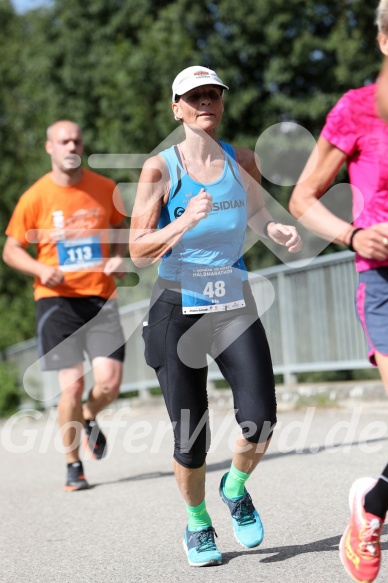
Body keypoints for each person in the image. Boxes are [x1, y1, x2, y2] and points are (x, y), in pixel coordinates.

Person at [129, 65, 302, 567]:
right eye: (194, 96)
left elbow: (256, 214)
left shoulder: (241, 158)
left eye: (213, 95)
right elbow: (139, 251)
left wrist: (278, 231)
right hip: (176, 307)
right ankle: (198, 523)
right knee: (191, 436)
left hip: (231, 299)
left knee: (261, 418)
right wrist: (182, 221)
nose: (206, 102)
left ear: (222, 104)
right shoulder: (160, 169)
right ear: (176, 107)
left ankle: (236, 486)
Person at [289, 3, 388, 581]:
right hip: (382, 281)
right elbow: (303, 198)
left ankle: (372, 502)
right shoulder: (355, 111)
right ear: (382, 40)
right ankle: (369, 508)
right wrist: (353, 234)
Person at [3, 120, 128, 492]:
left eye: (76, 139)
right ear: (50, 148)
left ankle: (89, 416)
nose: (70, 145)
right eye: (63, 140)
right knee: (71, 386)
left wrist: (117, 259)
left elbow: (120, 229)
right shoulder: (35, 197)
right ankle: (73, 464)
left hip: (101, 297)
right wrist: (40, 267)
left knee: (109, 383)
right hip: (56, 301)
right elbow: (11, 250)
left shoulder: (104, 188)